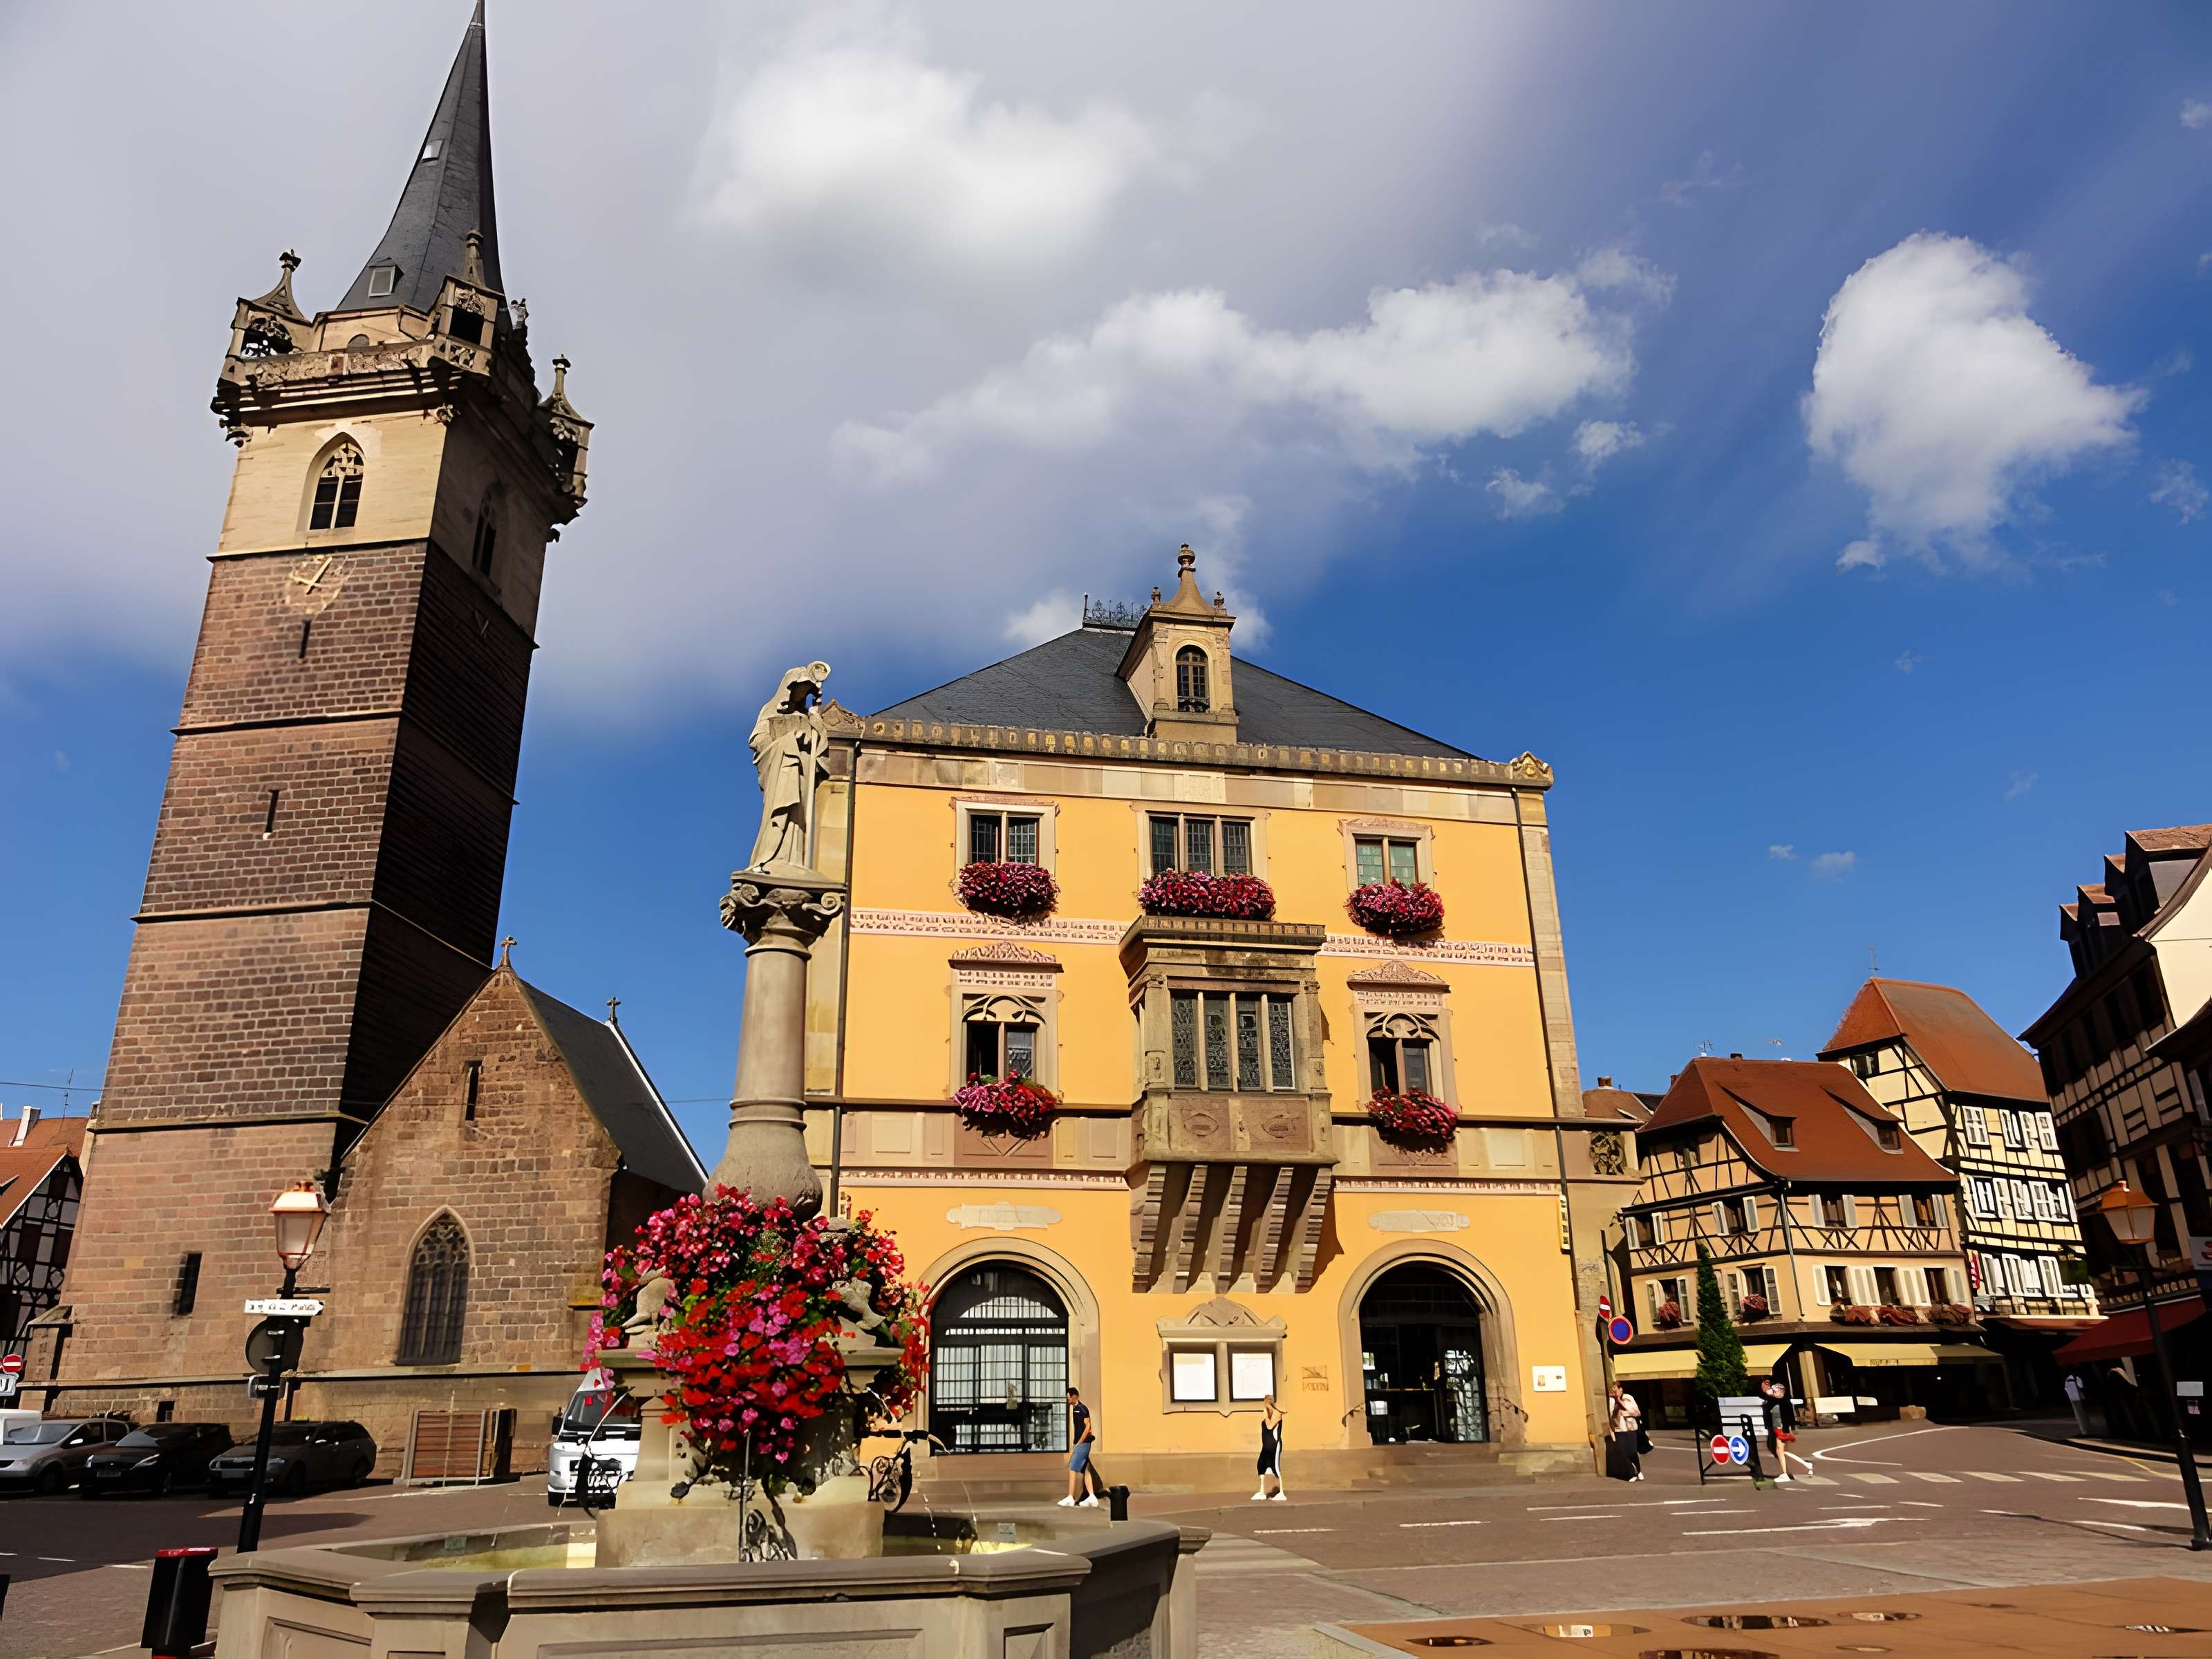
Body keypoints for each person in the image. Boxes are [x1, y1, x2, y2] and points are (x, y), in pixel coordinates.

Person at [1059, 1386, 1101, 1508]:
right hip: (1082, 1444)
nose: (1067, 1399)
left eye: (1068, 1397)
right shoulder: (1075, 1409)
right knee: (1086, 1470)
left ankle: (1070, 1498)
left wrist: (1079, 1443)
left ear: (1074, 1397)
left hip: (1082, 1444)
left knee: (1073, 1469)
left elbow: (1088, 1428)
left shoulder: (1082, 1409)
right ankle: (1092, 1498)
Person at [1606, 1380, 1643, 1481]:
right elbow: (1611, 1416)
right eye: (1612, 1390)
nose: (1613, 1391)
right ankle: (1631, 1473)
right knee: (1623, 1452)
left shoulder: (1628, 1398)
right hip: (1619, 1430)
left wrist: (1619, 1401)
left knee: (1632, 1452)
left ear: (1621, 1390)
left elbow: (1635, 1412)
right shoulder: (1610, 1401)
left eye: (1616, 1389)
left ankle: (1638, 1471)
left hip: (1630, 1428)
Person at [1253, 1395, 1286, 1501]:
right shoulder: (1267, 1413)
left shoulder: (1277, 1414)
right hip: (1266, 1446)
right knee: (1261, 1465)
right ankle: (1262, 1492)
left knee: (1275, 1468)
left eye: (1265, 1403)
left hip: (1274, 1445)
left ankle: (1281, 1493)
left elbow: (1269, 1426)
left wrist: (1266, 1414)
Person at [2063, 1369, 2092, 1436]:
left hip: (2073, 1399)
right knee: (2083, 1415)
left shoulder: (2067, 1379)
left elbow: (2066, 1388)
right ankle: (2086, 1431)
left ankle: (2084, 1431)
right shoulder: (2076, 1378)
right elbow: (2081, 1386)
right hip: (2079, 1398)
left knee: (2079, 1416)